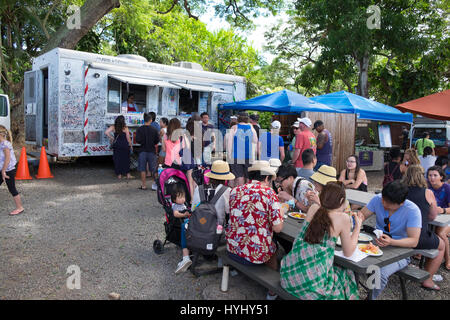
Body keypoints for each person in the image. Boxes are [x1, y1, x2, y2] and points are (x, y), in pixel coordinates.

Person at [280, 182, 361, 300]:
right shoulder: (343, 218)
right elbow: (348, 252)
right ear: (342, 200)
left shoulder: (313, 208)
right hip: (311, 289)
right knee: (346, 273)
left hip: (287, 277)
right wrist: (358, 227)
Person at [226, 160, 283, 300]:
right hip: (254, 257)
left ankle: (235, 269)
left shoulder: (235, 190)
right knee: (274, 248)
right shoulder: (269, 194)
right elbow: (278, 228)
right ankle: (272, 292)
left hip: (232, 249)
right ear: (266, 178)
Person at [358, 180, 422, 300]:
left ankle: (369, 298)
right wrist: (355, 219)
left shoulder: (412, 211)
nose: (383, 203)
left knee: (378, 273)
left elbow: (414, 241)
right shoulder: (378, 199)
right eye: (383, 198)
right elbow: (361, 215)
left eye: (388, 202)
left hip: (401, 252)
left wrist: (392, 242)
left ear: (401, 203)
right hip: (376, 245)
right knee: (351, 261)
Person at [403, 165, 444, 290]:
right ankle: (428, 279)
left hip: (398, 234)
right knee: (441, 245)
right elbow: (432, 216)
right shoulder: (428, 193)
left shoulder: (399, 190)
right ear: (422, 176)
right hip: (417, 237)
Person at [192, 160, 234, 227]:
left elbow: (193, 209)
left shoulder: (198, 189)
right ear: (226, 178)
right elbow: (228, 211)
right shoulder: (227, 191)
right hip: (218, 229)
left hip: (199, 227)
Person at [427, 165, 450, 271]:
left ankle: (448, 260)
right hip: (433, 218)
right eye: (430, 175)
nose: (432, 178)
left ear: (441, 177)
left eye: (435, 175)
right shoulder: (427, 186)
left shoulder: (447, 188)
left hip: (446, 218)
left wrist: (443, 210)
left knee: (440, 233)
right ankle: (420, 253)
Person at [228, 112, 258, 187]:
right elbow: (255, 140)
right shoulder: (251, 127)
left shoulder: (234, 127)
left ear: (238, 118)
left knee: (239, 176)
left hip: (236, 156)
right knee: (248, 177)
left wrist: (229, 155)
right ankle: (248, 193)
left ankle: (241, 194)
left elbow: (229, 144)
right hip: (248, 156)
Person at [0, 125, 24, 216]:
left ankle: (19, 207)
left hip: (8, 170)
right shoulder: (1, 144)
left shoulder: (5, 144)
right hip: (3, 169)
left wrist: (3, 171)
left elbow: (7, 159)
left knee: (12, 188)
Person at [171, 184, 193, 274]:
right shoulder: (175, 205)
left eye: (183, 196)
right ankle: (186, 255)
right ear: (174, 199)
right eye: (180, 197)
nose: (182, 199)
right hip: (180, 222)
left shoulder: (184, 204)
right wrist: (184, 214)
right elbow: (175, 214)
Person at [136, 113, 160, 190]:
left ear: (144, 120)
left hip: (142, 150)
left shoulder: (139, 129)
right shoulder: (154, 130)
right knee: (153, 168)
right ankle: (155, 185)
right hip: (151, 151)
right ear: (151, 120)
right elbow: (157, 141)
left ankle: (143, 185)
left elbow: (138, 140)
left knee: (142, 168)